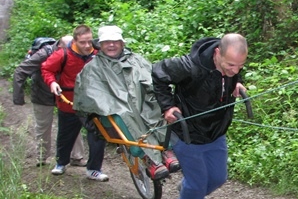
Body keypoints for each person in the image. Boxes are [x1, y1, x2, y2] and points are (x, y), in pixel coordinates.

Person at [152, 34, 248, 199]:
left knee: (218, 177)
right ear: (217, 53)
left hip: (215, 131)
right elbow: (158, 73)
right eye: (231, 65)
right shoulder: (189, 66)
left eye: (240, 66)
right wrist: (168, 107)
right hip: (189, 134)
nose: (235, 70)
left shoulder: (232, 67)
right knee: (197, 182)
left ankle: (189, 191)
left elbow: (232, 74)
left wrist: (236, 81)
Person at [73, 25, 180, 180]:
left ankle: (165, 149)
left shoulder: (136, 59)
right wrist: (114, 103)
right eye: (107, 42)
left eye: (115, 41)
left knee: (156, 105)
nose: (111, 45)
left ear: (122, 43)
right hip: (116, 109)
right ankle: (148, 158)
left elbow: (152, 79)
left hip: (141, 101)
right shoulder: (93, 68)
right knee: (124, 115)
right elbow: (92, 95)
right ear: (100, 45)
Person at [40, 24, 109, 181]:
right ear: (75, 41)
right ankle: (61, 163)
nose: (87, 46)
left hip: (93, 105)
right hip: (69, 103)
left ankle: (94, 169)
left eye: (89, 42)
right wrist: (52, 83)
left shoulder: (98, 53)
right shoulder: (62, 55)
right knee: (66, 135)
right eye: (82, 42)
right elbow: (46, 69)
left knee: (98, 135)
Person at [13, 35, 85, 167]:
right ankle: (42, 158)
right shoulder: (43, 54)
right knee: (43, 126)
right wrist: (18, 97)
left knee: (73, 125)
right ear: (60, 46)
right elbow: (21, 70)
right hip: (42, 94)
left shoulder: (77, 54)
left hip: (66, 94)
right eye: (69, 48)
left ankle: (77, 157)